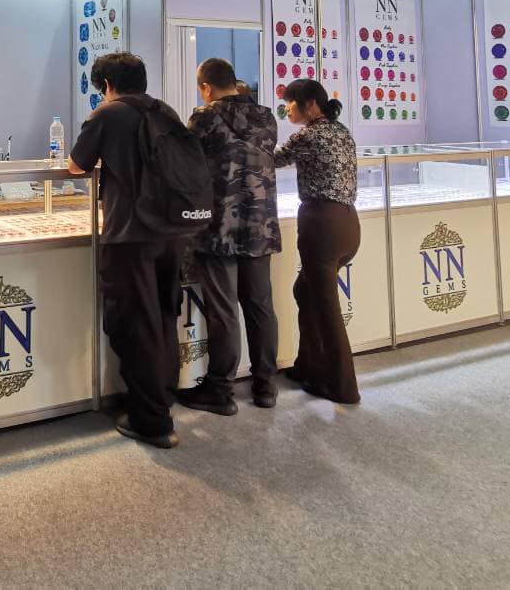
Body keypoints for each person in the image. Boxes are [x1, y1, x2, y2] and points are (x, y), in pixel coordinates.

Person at [67, 52, 184, 449]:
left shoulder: (108, 113)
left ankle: (152, 420)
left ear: (106, 84)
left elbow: (76, 166)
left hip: (131, 234)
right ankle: (164, 395)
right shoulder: (164, 110)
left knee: (135, 324)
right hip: (172, 231)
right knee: (164, 315)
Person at [178, 57, 282, 416]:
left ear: (206, 88)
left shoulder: (204, 118)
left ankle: (220, 390)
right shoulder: (267, 117)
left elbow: (185, 165)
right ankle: (265, 385)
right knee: (260, 305)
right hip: (261, 224)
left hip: (219, 226)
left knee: (224, 310)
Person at [277, 77, 361, 405]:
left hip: (321, 227)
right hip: (348, 225)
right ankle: (307, 366)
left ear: (310, 104)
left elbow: (272, 160)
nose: (287, 109)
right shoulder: (342, 131)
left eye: (290, 103)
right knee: (304, 291)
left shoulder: (308, 135)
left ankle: (343, 387)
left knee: (327, 310)